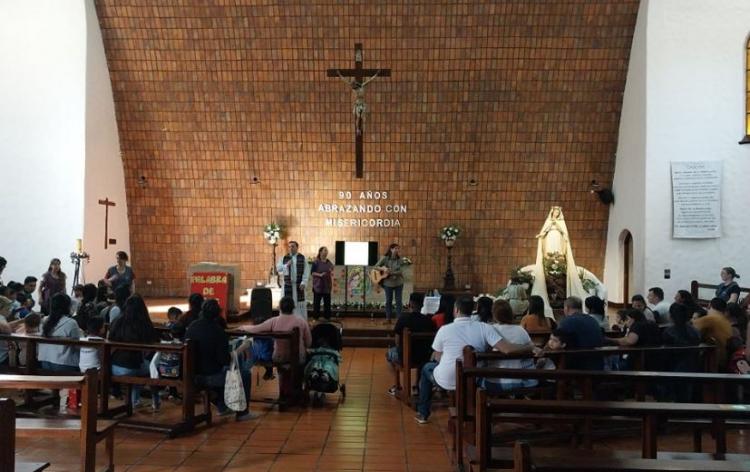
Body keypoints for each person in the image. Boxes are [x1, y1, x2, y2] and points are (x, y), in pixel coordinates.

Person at [414, 296, 533, 424]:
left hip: (448, 379)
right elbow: (507, 349)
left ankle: (423, 413)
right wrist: (529, 347)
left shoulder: (444, 329)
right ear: (473, 310)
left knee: (427, 368)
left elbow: (437, 357)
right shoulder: (484, 327)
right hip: (473, 378)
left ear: (456, 310)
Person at [186, 299, 257, 420]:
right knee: (244, 374)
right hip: (209, 377)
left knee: (221, 370)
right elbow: (225, 360)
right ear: (218, 314)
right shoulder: (218, 331)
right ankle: (242, 413)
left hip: (192, 374)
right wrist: (242, 348)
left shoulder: (192, 326)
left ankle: (222, 407)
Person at [240, 296, 312, 405]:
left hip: (279, 357)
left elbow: (256, 329)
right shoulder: (301, 321)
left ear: (280, 308)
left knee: (281, 365)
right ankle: (297, 389)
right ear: (293, 307)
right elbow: (308, 343)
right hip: (298, 358)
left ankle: (283, 392)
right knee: (305, 359)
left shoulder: (275, 321)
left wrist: (243, 327)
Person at [108, 294, 161, 411]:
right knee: (152, 368)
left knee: (139, 366)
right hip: (132, 366)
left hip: (114, 366)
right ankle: (155, 401)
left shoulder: (118, 321)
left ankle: (135, 401)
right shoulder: (144, 324)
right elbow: (153, 343)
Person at [482, 300, 539, 393]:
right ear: (510, 313)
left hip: (494, 381)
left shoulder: (490, 330)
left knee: (476, 379)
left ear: (494, 314)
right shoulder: (520, 330)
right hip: (517, 380)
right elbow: (531, 347)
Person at [386, 292, 435, 397]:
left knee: (389, 354)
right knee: (420, 353)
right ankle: (416, 385)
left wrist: (401, 351)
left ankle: (398, 384)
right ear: (422, 305)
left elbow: (397, 341)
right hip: (424, 357)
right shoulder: (429, 321)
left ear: (410, 304)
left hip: (405, 356)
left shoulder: (403, 318)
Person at [38, 293, 80, 411]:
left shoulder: (45, 320)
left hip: (45, 363)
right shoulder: (71, 323)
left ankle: (55, 398)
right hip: (63, 364)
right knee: (84, 368)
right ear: (67, 306)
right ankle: (73, 402)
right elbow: (77, 346)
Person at [556, 297, 605, 370]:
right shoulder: (592, 320)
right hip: (597, 363)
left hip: (579, 366)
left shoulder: (567, 321)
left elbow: (556, 339)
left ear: (566, 308)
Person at [692, 298, 734, 369]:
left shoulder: (710, 318)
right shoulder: (725, 320)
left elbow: (690, 330)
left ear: (709, 305)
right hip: (726, 358)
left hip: (715, 360)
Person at [276, 241, 310, 320]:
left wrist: (303, 282)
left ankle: (300, 321)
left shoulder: (302, 258)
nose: (291, 248)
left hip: (298, 285)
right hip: (287, 285)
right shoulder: (284, 258)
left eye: (293, 246)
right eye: (290, 246)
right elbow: (278, 269)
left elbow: (306, 271)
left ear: (297, 247)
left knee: (299, 304)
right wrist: (286, 265)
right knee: (287, 303)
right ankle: (286, 320)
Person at [374, 243, 405, 324]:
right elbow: (375, 266)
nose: (397, 250)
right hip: (388, 283)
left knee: (399, 301)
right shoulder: (385, 258)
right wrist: (383, 269)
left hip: (398, 283)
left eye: (398, 249)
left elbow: (401, 271)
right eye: (395, 248)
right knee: (388, 301)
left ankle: (399, 319)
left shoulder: (400, 259)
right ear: (391, 249)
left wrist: (391, 272)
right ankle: (388, 318)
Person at [311, 246, 334, 321]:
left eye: (327, 251)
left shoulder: (328, 261)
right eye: (325, 250)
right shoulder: (316, 262)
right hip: (318, 285)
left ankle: (327, 317)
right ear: (320, 252)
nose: (326, 252)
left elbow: (332, 268)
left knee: (327, 303)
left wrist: (331, 270)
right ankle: (316, 318)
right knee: (317, 303)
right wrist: (320, 275)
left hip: (327, 285)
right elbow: (312, 273)